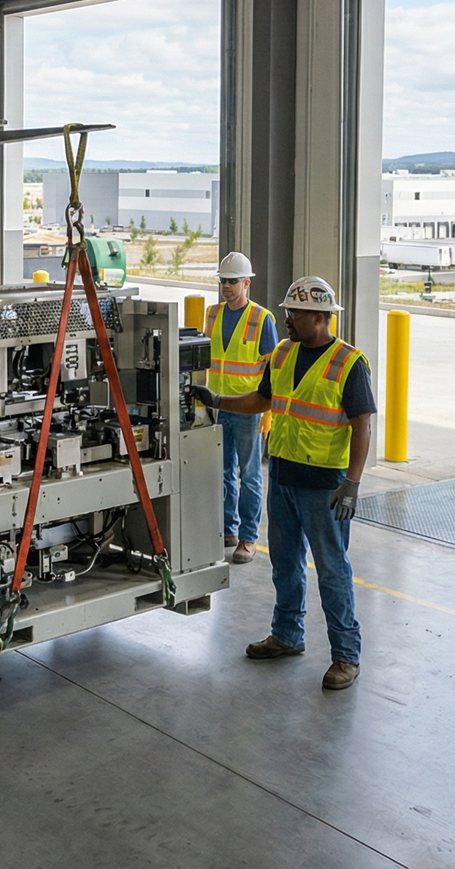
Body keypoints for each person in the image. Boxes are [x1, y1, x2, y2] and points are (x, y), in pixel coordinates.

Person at [191, 276, 374, 692]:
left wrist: (353, 483)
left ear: (319, 317)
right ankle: (287, 635)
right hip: (286, 477)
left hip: (325, 486)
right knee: (286, 564)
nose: (286, 319)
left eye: (294, 313)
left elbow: (362, 427)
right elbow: (263, 399)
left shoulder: (348, 363)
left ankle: (346, 655)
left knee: (332, 570)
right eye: (288, 311)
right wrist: (217, 400)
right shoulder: (284, 353)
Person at [205, 252, 277, 565]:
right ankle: (228, 530)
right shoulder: (212, 314)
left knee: (249, 475)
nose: (226, 286)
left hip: (248, 409)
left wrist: (268, 410)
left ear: (246, 283)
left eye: (233, 281)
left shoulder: (263, 319)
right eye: (223, 281)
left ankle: (248, 538)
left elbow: (275, 368)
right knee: (223, 473)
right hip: (218, 406)